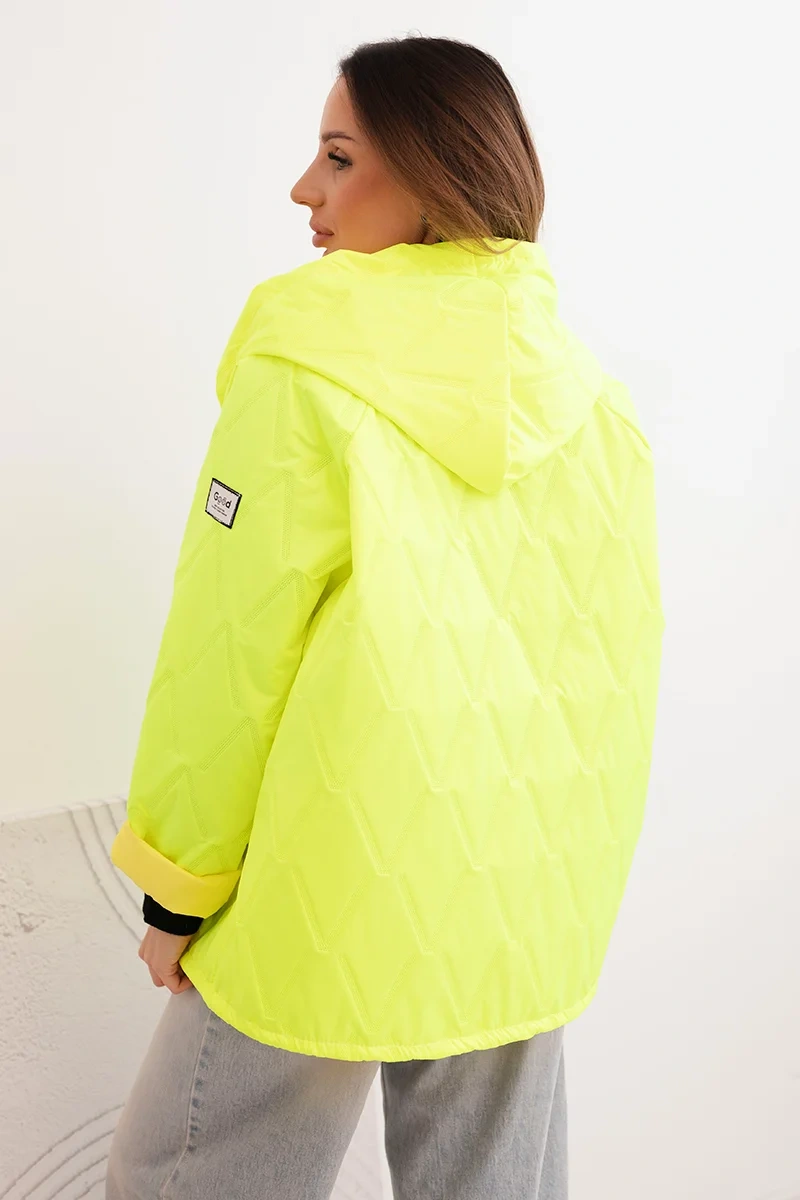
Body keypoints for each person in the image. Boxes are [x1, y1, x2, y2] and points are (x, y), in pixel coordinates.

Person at [105, 33, 664, 1200]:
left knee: (181, 1176)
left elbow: (229, 649)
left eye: (338, 156)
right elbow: (615, 669)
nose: (301, 189)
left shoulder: (304, 363)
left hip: (331, 878)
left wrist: (177, 886)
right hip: (524, 896)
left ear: (431, 174)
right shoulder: (592, 401)